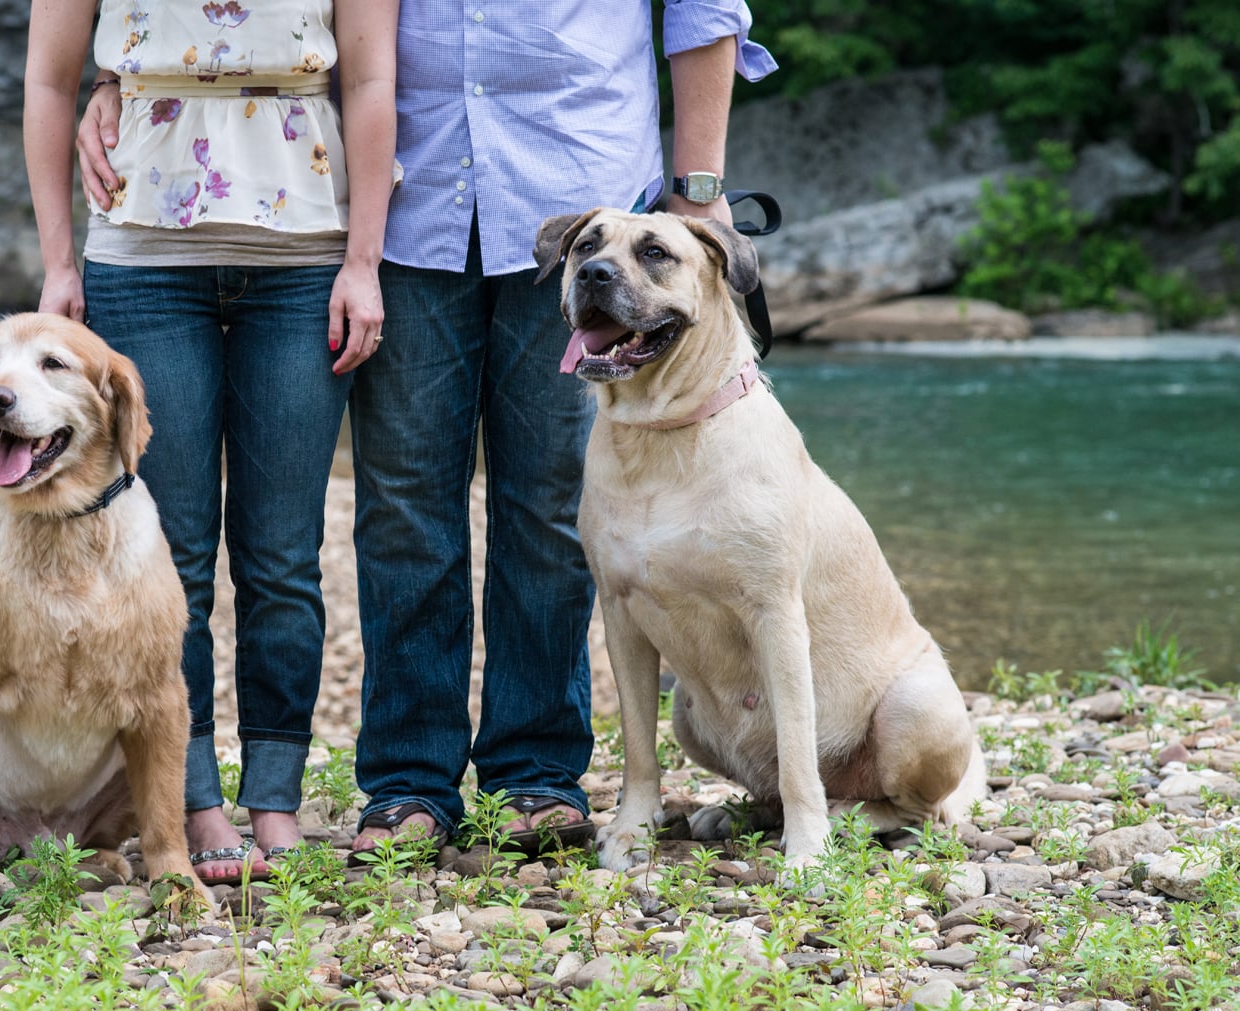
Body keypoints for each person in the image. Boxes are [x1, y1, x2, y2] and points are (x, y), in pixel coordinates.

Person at [77, 2, 774, 859]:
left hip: (578, 195)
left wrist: (698, 190)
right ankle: (408, 782)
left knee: (551, 505)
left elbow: (704, 9)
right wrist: (116, 77)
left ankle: (535, 774)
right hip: (405, 204)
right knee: (404, 501)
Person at [25, 0, 399, 883]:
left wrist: (364, 262)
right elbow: (48, 81)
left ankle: (274, 796)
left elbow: (373, 78)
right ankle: (187, 800)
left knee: (280, 553)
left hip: (306, 256)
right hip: (143, 261)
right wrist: (57, 264)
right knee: (172, 551)